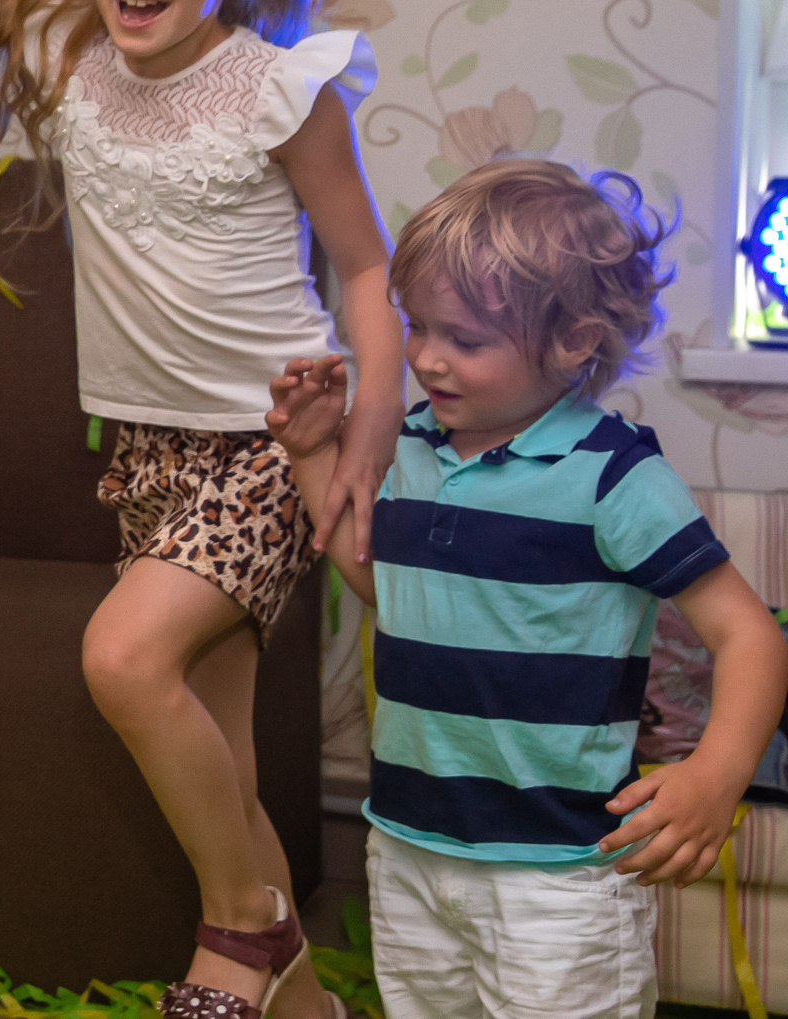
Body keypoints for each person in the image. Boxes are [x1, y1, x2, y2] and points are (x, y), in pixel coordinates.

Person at [0, 0, 403, 1019]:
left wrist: (369, 424)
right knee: (222, 769)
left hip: (270, 441)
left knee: (123, 657)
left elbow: (364, 267)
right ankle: (301, 1002)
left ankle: (240, 929)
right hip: (148, 449)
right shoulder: (75, 68)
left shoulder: (279, 91)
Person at [269, 160, 788, 1019]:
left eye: (465, 339)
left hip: (558, 876)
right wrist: (313, 454)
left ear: (574, 341)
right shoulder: (412, 446)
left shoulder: (615, 474)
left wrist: (716, 774)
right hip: (409, 846)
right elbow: (387, 586)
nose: (426, 357)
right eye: (417, 326)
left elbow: (748, 634)